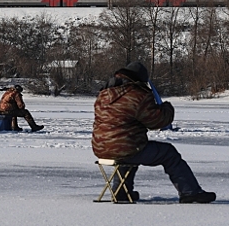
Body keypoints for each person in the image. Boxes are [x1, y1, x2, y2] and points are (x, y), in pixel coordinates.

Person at [92, 61, 216, 203]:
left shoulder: (104, 93)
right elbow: (156, 122)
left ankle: (121, 193)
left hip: (101, 147)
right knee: (168, 153)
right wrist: (167, 109)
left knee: (126, 149)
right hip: (126, 147)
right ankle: (190, 192)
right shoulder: (137, 94)